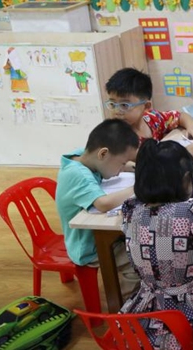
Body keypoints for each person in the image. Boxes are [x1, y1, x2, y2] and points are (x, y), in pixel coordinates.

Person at [120, 140, 193, 350]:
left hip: (148, 299)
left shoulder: (131, 208)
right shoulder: (192, 211)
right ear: (186, 180)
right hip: (190, 304)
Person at [55, 119, 140, 298]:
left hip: (94, 235)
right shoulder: (78, 174)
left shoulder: (83, 157)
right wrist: (139, 186)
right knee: (137, 261)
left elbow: (123, 164)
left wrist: (136, 166)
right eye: (120, 163)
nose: (120, 170)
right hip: (88, 246)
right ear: (103, 154)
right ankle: (128, 308)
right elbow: (103, 204)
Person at [105, 67, 193, 157]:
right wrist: (183, 153)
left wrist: (192, 127)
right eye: (112, 104)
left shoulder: (152, 119)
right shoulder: (118, 136)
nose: (117, 111)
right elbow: (148, 161)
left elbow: (180, 116)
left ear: (146, 106)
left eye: (124, 105)